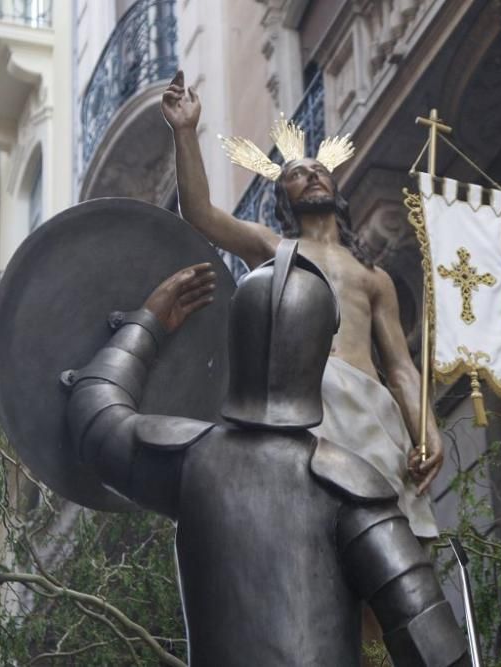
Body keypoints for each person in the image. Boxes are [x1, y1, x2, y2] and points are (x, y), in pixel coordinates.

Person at [65, 244, 470, 666]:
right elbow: (433, 647)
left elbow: (93, 413)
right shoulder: (356, 489)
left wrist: (148, 324)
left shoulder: (188, 459)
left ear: (235, 338)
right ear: (321, 353)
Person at [160, 71, 441, 540]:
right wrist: (185, 131)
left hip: (370, 416)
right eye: (296, 173)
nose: (311, 175)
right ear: (283, 196)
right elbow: (201, 214)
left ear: (336, 190)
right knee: (321, 535)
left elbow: (401, 369)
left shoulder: (374, 276)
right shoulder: (273, 248)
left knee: (388, 540)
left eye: (320, 171)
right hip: (307, 405)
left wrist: (426, 431)